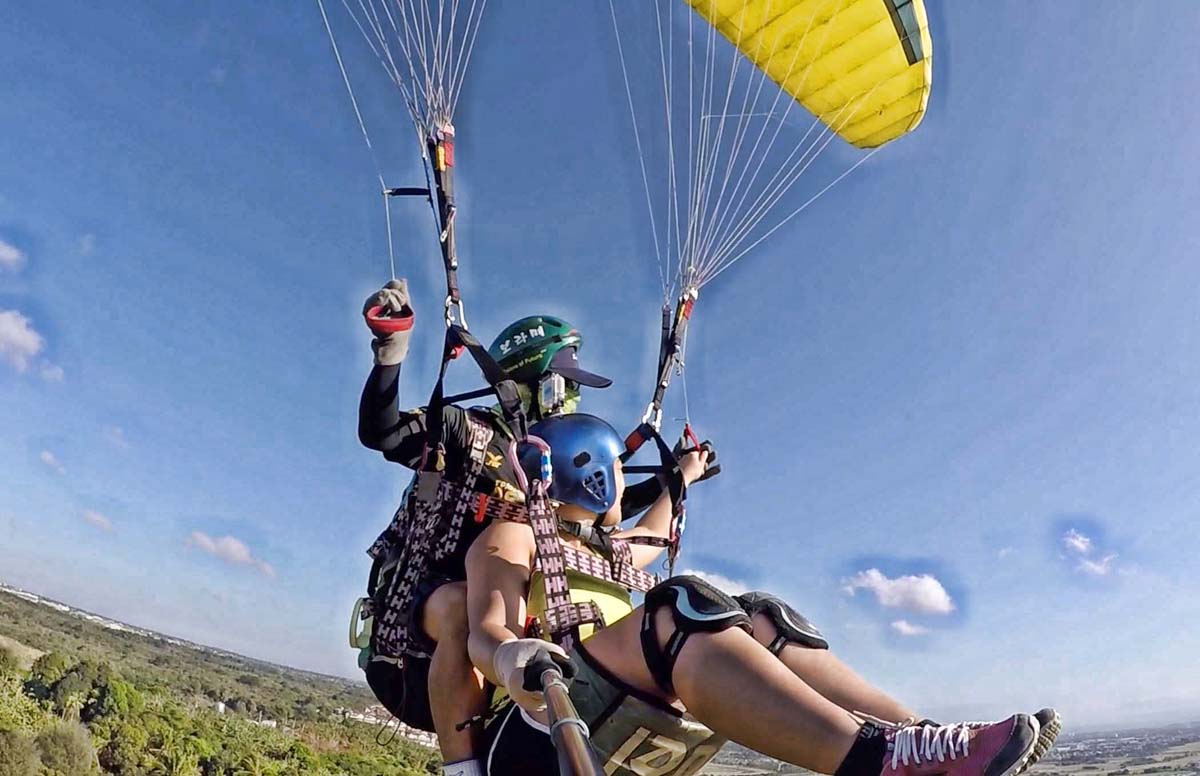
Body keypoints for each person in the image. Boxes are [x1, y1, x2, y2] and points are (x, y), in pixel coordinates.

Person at [466, 414, 1061, 776]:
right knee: (680, 607)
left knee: (760, 615)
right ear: (592, 470)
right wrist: (507, 654)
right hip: (541, 734)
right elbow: (486, 627)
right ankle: (872, 764)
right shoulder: (511, 536)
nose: (628, 476)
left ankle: (920, 742)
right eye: (620, 467)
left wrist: (685, 477)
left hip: (611, 711)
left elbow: (652, 530)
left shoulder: (605, 549)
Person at [354, 280, 675, 776]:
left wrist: (677, 478)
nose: (570, 398)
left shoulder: (551, 458)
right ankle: (462, 770)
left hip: (508, 621)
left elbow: (603, 510)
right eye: (563, 384)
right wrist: (391, 349)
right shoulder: (469, 433)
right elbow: (386, 432)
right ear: (535, 383)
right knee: (464, 600)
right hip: (423, 625)